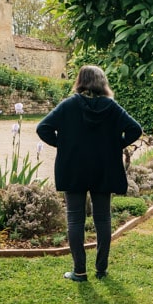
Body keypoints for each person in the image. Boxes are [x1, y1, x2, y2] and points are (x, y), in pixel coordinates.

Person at [36, 65, 142, 282]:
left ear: (80, 81)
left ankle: (80, 271)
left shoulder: (69, 105)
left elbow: (43, 128)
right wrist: (116, 145)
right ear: (102, 82)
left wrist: (63, 145)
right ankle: (101, 270)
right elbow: (135, 129)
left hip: (73, 168)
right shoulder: (111, 107)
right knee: (103, 218)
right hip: (104, 169)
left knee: (75, 219)